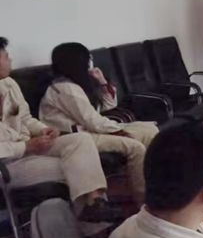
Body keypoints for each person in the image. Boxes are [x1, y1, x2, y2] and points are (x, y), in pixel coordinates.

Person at [0, 37, 124, 223]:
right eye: (5, 56)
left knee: (81, 140)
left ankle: (95, 207)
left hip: (29, 149)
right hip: (8, 164)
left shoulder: (9, 84)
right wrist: (26, 147)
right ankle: (95, 227)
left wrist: (44, 129)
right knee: (78, 168)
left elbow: (25, 119)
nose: (10, 60)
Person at [40, 42, 158, 201]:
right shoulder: (64, 88)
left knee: (150, 129)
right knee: (135, 147)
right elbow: (92, 121)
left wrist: (102, 82)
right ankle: (143, 198)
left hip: (93, 130)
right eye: (88, 59)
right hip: (78, 136)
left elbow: (108, 106)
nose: (90, 63)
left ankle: (151, 182)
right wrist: (119, 131)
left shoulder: (78, 83)